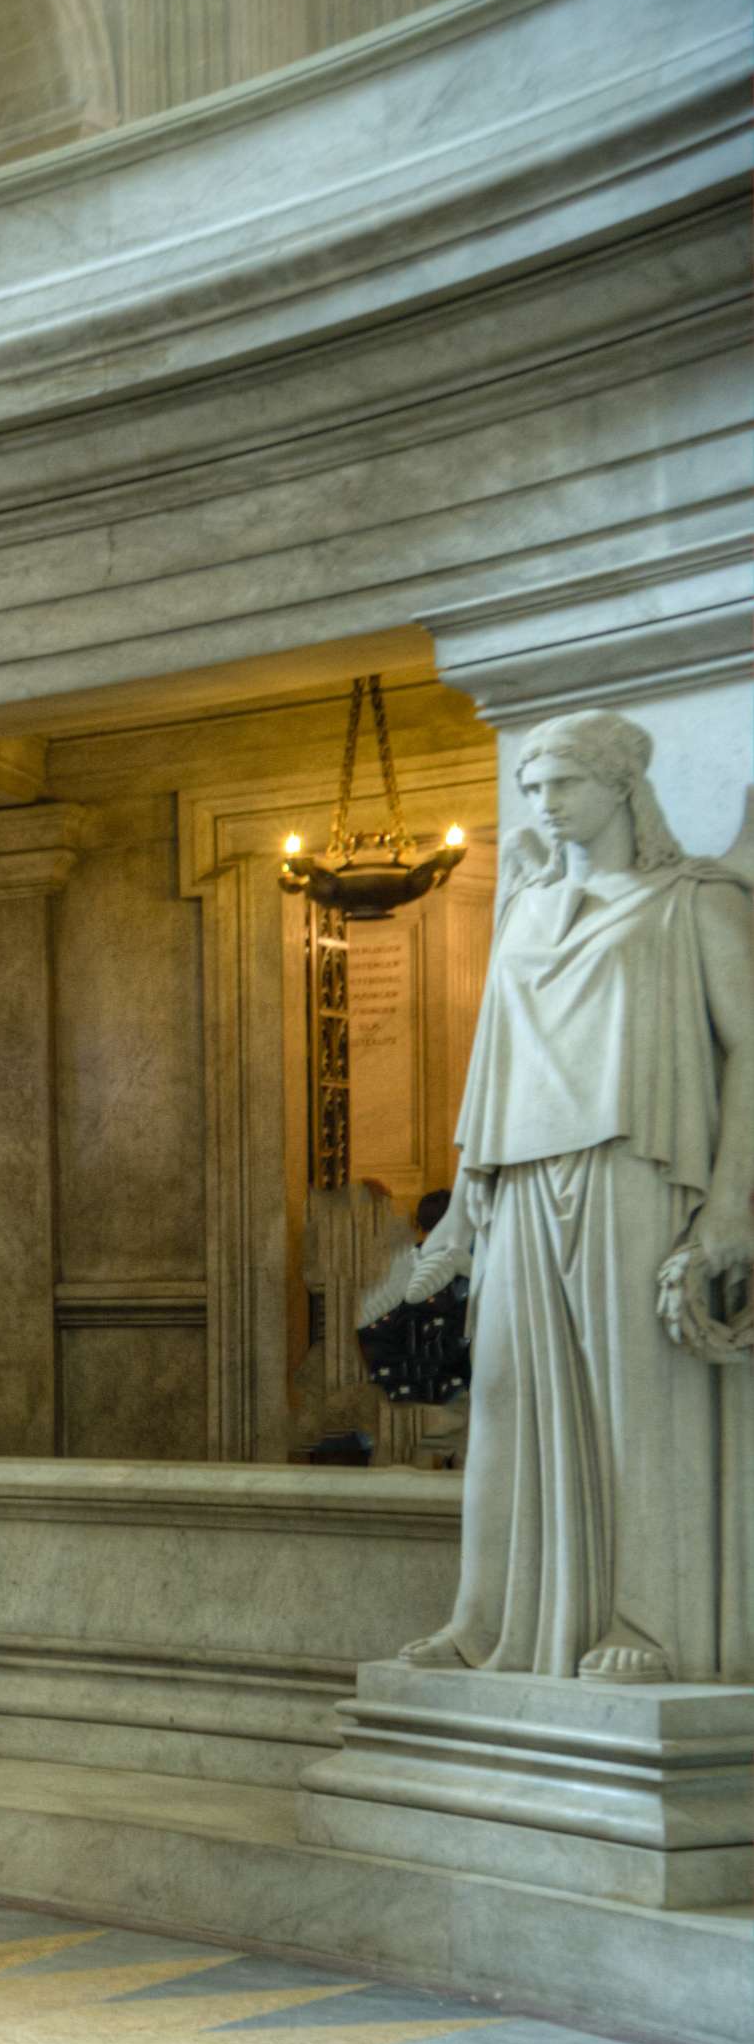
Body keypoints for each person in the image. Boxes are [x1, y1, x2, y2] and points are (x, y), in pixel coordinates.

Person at [395, 711, 751, 1682]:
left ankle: (648, 1621)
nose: (544, 805)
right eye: (532, 788)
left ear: (623, 785)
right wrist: (463, 1211)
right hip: (519, 1180)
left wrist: (731, 1204)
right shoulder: (525, 907)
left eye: (564, 784)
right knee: (505, 1399)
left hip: (633, 1169)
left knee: (637, 1400)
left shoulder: (691, 901)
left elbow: (752, 1048)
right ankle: (488, 1622)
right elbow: (494, 1060)